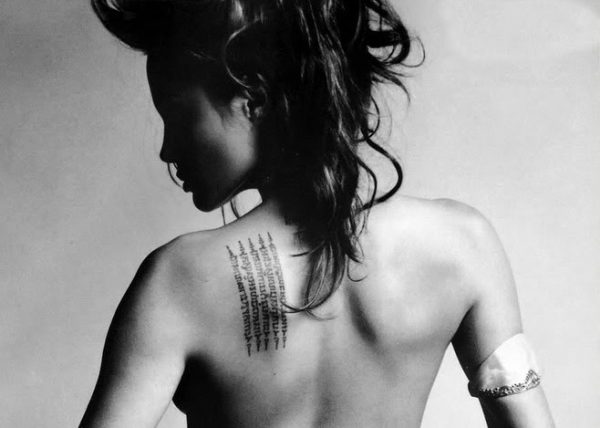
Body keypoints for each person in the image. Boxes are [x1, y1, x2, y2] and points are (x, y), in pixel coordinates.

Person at [81, 0, 555, 427]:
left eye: (178, 117)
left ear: (255, 99)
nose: (167, 150)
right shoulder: (464, 243)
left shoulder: (178, 280)